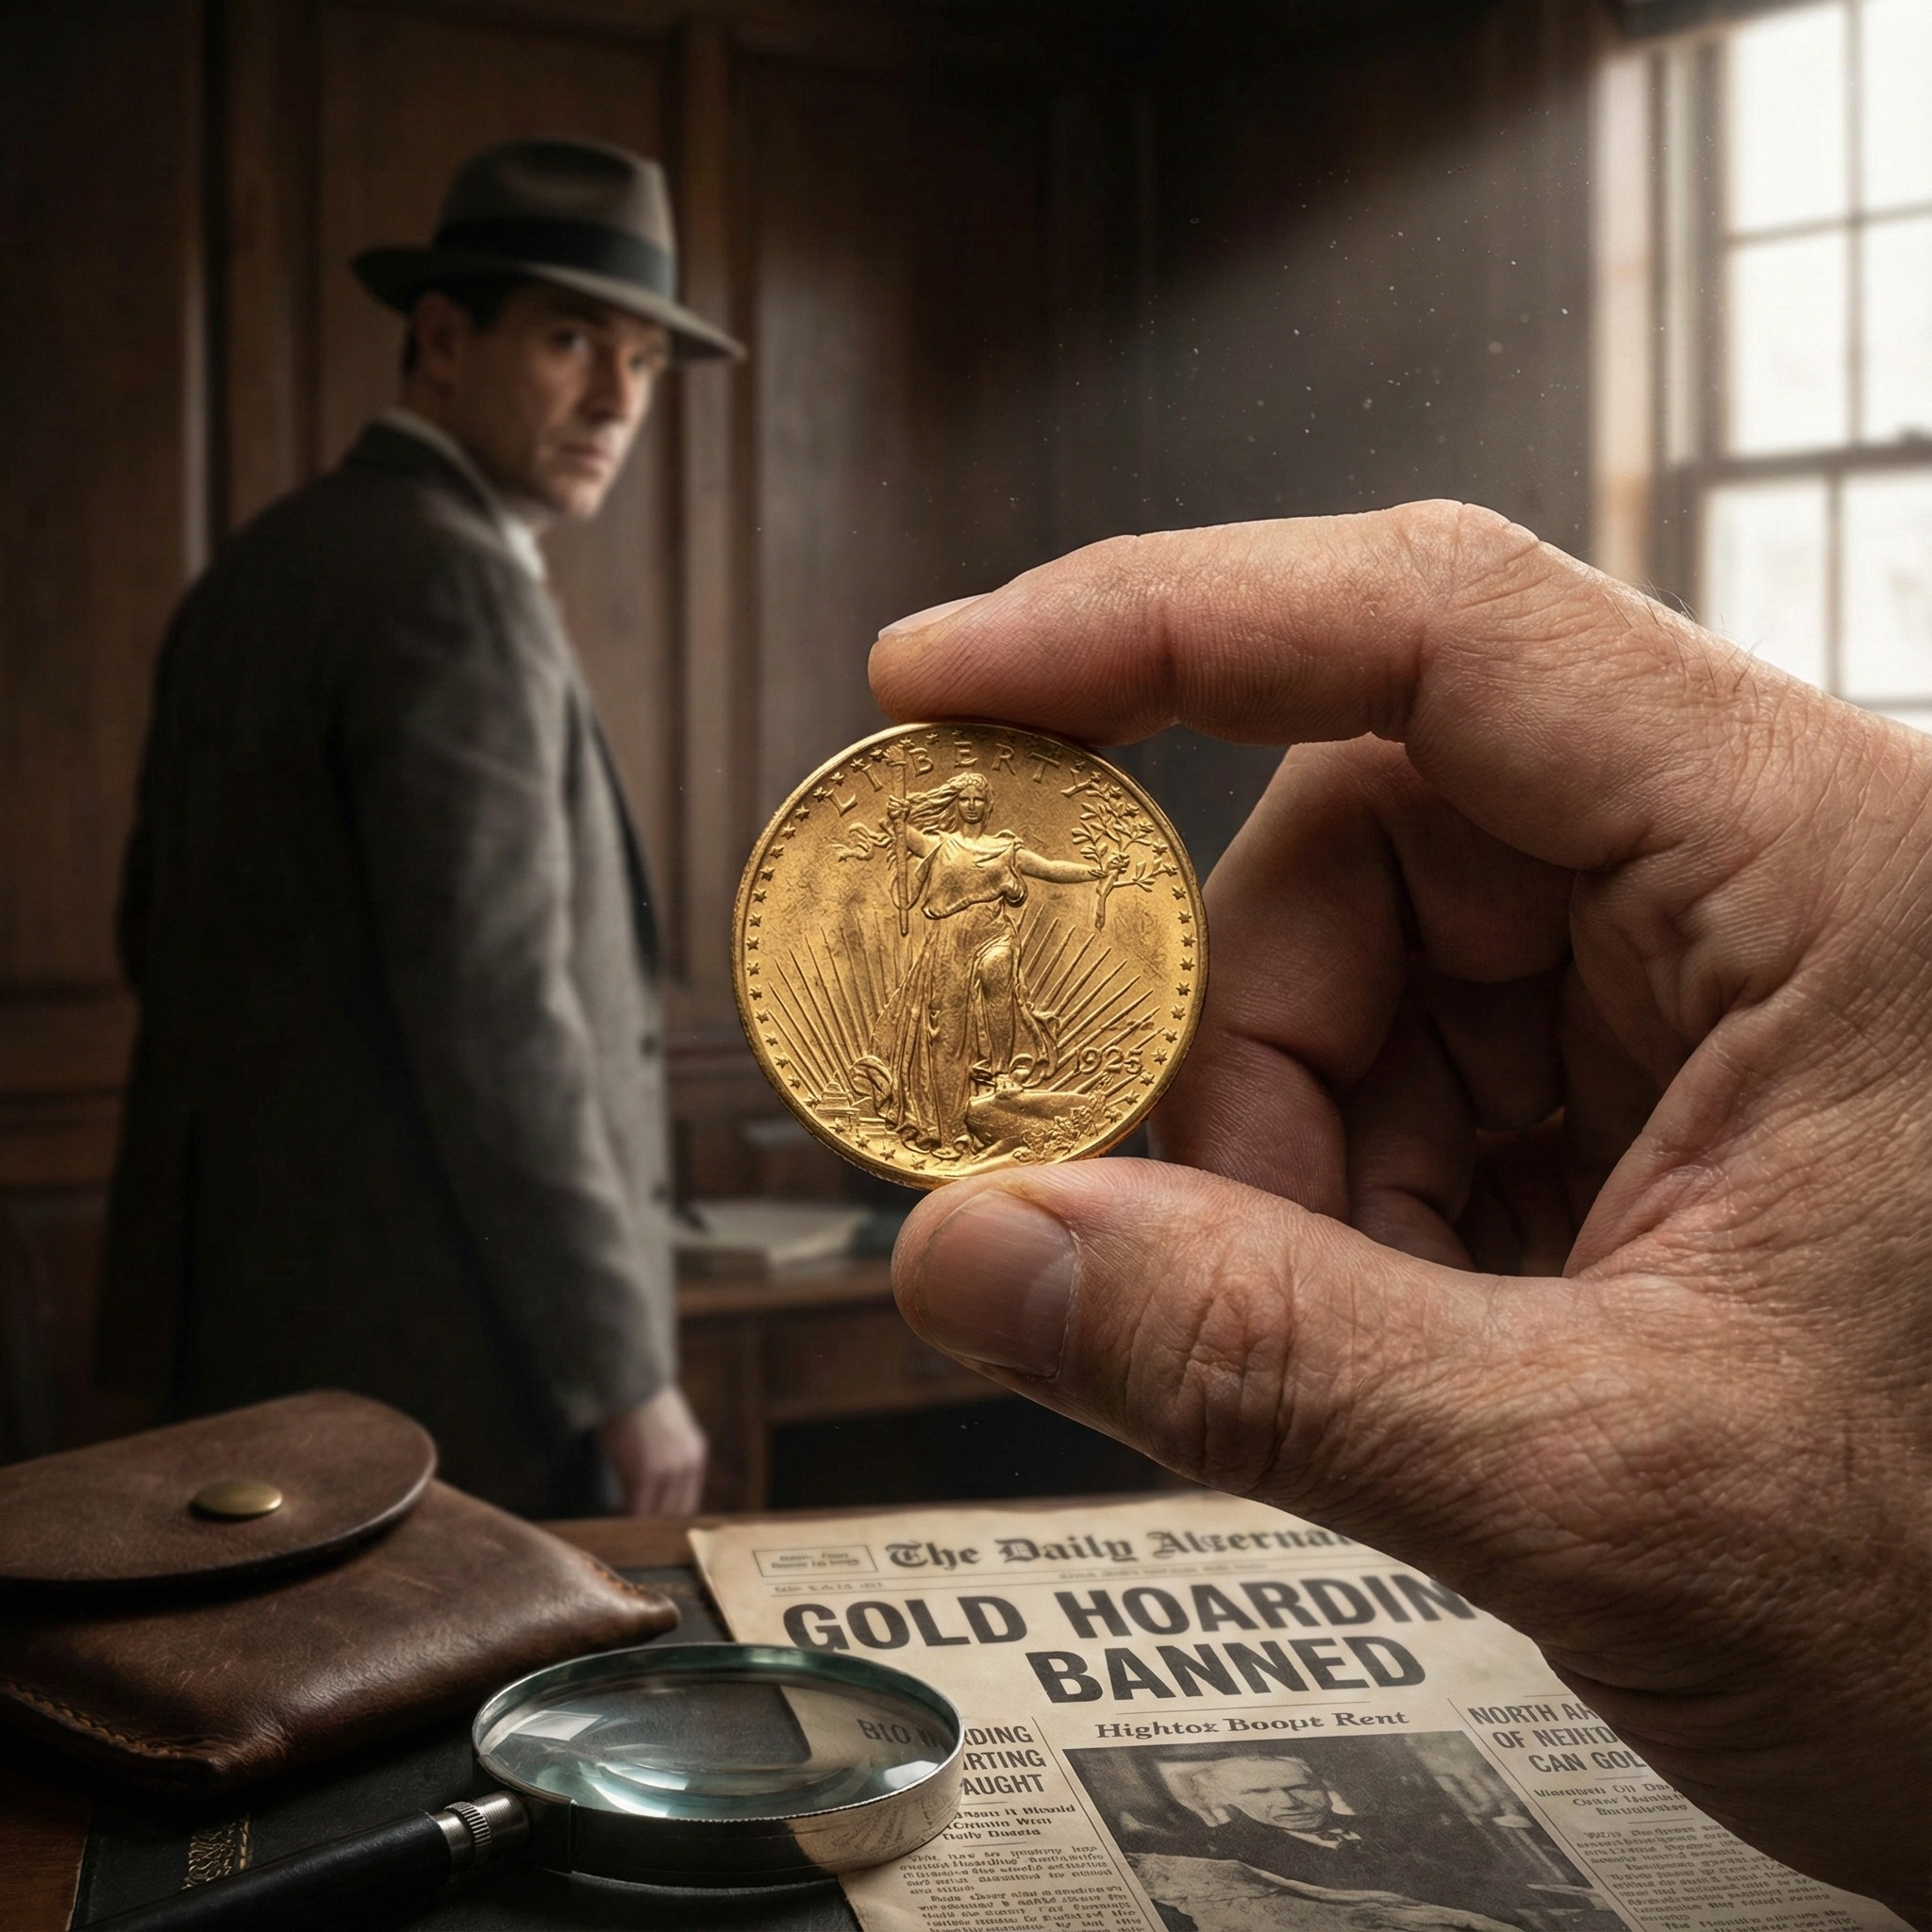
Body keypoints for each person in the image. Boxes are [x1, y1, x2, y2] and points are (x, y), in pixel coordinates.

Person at [869, 503, 1932, 1926]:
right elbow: (931, 922)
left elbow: (1052, 869)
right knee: (984, 1039)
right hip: (977, 981)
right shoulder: (944, 858)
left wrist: (1094, 875)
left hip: (1016, 974)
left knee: (1007, 1040)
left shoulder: (997, 854)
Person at [99, 138, 742, 1518]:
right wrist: (626, 1372)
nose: (620, 399)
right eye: (575, 341)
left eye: (643, 360)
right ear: (443, 339)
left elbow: (150, 928)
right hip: (447, 1377)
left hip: (227, 1345)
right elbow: (503, 1017)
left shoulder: (259, 567)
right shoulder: (455, 588)